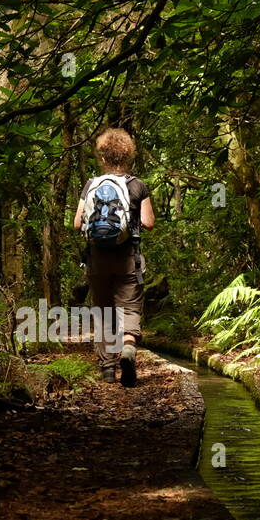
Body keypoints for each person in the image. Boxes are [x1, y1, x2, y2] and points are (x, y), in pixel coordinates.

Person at [72, 128, 155, 386]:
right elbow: (148, 222)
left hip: (97, 260)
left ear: (103, 156)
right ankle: (128, 348)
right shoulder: (137, 185)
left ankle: (107, 368)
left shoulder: (91, 185)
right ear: (128, 154)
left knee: (103, 311)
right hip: (128, 259)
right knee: (129, 307)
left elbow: (77, 223)